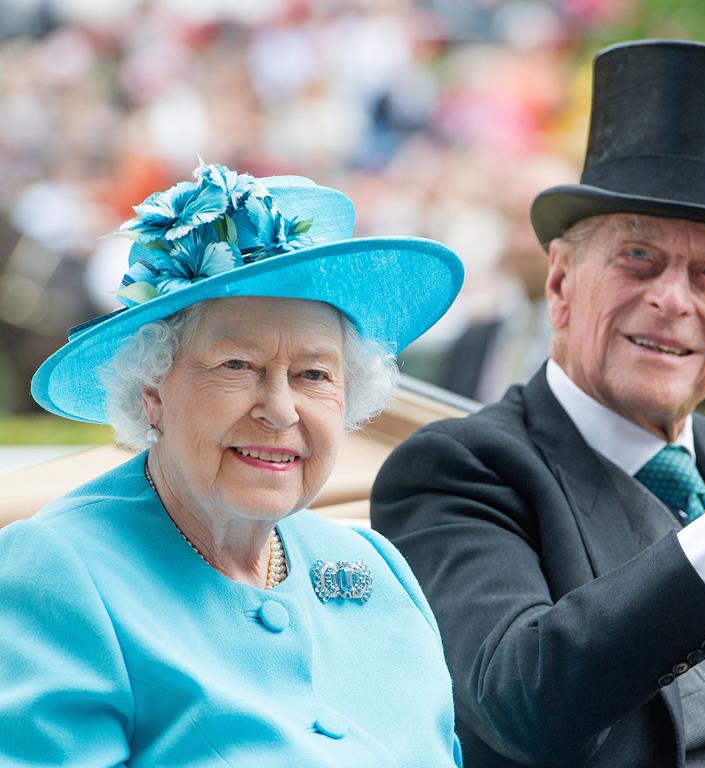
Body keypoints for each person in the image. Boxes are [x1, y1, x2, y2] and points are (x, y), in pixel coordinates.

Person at [371, 40, 705, 767]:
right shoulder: (458, 470)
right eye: (638, 256)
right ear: (561, 286)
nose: (670, 298)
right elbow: (524, 703)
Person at [0, 162, 464, 767]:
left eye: (314, 376)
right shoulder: (58, 570)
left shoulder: (377, 566)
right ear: (153, 390)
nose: (280, 410)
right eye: (236, 366)